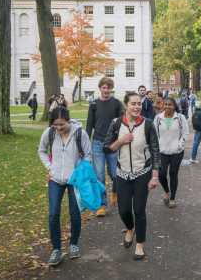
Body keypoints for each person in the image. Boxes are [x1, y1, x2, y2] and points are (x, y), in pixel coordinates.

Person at [103, 92, 160, 260]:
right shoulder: (116, 124)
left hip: (142, 173)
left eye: (139, 104)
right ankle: (130, 228)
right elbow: (106, 148)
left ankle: (140, 245)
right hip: (123, 174)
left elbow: (156, 151)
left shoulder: (148, 124)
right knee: (124, 210)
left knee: (139, 210)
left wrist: (155, 175)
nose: (137, 107)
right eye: (133, 104)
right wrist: (121, 141)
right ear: (126, 105)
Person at [38, 106, 92, 266]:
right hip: (55, 179)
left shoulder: (80, 134)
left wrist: (80, 173)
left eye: (62, 125)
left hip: (74, 180)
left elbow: (88, 155)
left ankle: (74, 244)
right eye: (55, 125)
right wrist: (50, 167)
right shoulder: (50, 133)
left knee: (75, 214)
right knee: (53, 213)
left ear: (68, 120)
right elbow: (41, 150)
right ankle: (56, 249)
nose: (59, 128)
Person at [86, 77, 123, 217]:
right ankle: (102, 205)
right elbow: (89, 125)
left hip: (113, 143)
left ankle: (115, 192)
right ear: (100, 88)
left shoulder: (116, 104)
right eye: (104, 87)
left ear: (111, 89)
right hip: (97, 143)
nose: (106, 90)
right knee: (99, 175)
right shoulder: (94, 104)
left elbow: (122, 122)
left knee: (115, 174)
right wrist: (84, 143)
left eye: (108, 87)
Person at [154, 97, 189, 208]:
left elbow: (185, 132)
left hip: (176, 152)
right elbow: (154, 134)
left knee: (173, 174)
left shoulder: (180, 117)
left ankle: (172, 198)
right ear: (163, 105)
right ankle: (167, 192)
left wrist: (180, 145)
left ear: (174, 106)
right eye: (166, 104)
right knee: (161, 174)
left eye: (170, 105)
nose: (167, 106)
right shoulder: (158, 118)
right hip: (162, 151)